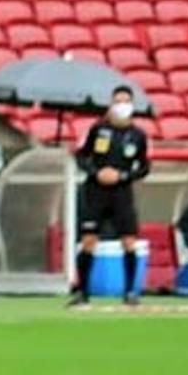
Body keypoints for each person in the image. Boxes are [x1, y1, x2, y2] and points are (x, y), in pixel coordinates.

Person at [71, 86, 150, 307]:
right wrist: (97, 173)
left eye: (126, 101)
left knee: (129, 241)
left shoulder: (138, 135)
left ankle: (130, 293)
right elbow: (82, 157)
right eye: (118, 101)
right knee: (88, 241)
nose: (121, 106)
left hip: (122, 193)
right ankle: (83, 293)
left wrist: (123, 175)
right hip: (95, 192)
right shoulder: (97, 129)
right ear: (111, 104)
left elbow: (144, 167)